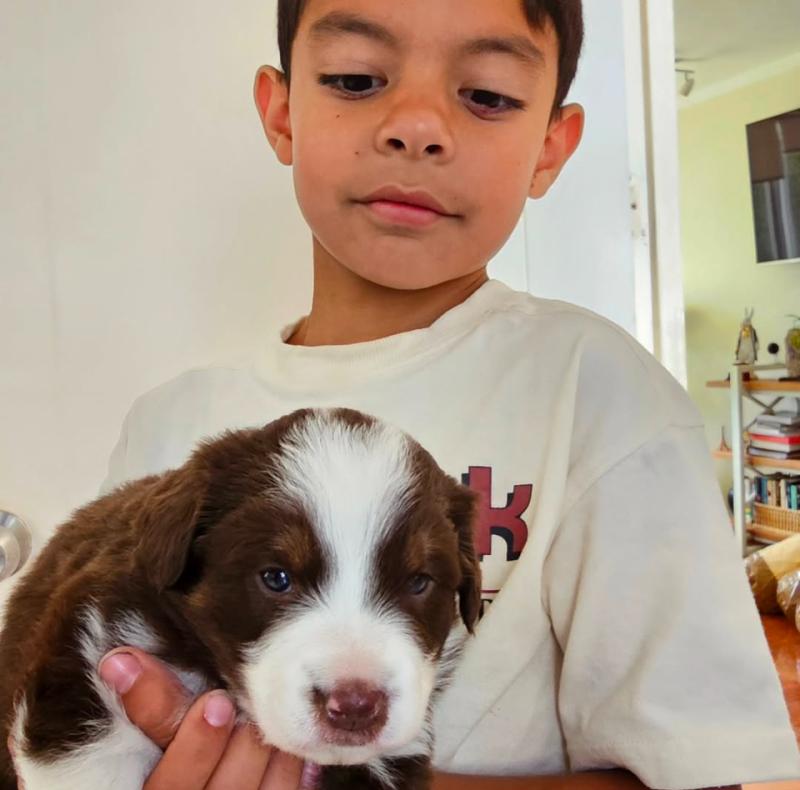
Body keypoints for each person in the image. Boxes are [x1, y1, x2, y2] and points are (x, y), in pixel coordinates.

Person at [32, 0, 799, 788]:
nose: (418, 125)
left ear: (550, 147)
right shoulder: (168, 426)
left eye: (488, 94)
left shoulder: (606, 399)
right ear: (282, 112)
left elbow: (698, 775)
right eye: (357, 78)